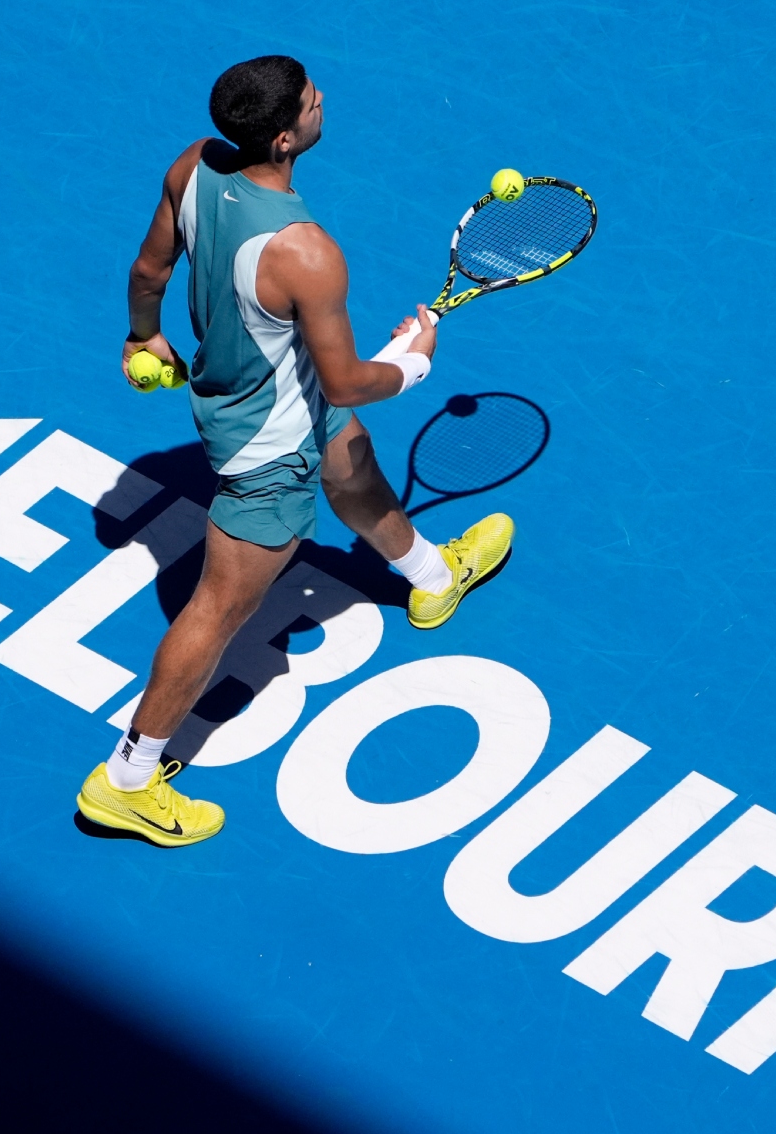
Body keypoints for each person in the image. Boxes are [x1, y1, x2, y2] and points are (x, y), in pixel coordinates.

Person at [75, 55, 515, 848]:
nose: (323, 102)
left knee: (350, 463)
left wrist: (144, 337)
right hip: (266, 447)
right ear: (285, 139)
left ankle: (431, 576)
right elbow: (348, 380)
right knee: (217, 610)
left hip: (250, 394)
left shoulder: (195, 164)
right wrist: (414, 358)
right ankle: (127, 781)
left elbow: (150, 268)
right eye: (312, 100)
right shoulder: (307, 251)